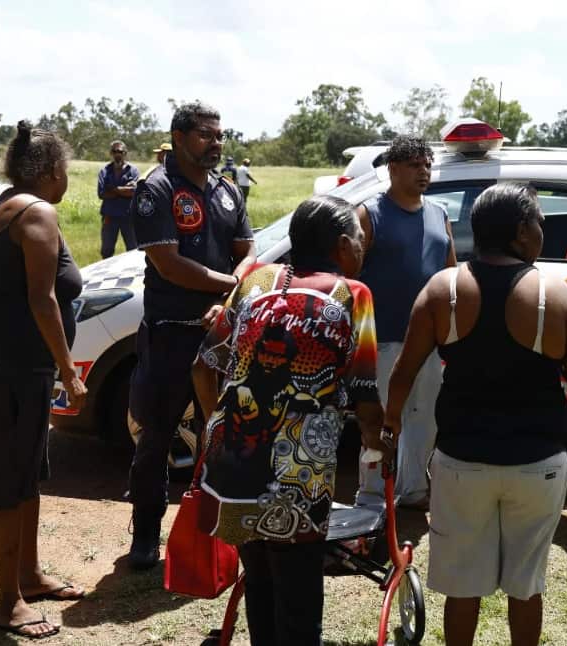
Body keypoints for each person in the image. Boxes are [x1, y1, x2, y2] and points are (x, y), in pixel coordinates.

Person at [385, 182, 567, 646]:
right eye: (540, 222)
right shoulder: (556, 297)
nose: (543, 230)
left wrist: (389, 426)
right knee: (526, 586)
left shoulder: (444, 290)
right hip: (537, 463)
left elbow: (402, 372)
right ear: (522, 232)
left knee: (462, 588)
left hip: (461, 462)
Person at [192, 195, 383, 645]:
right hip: (298, 477)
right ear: (341, 245)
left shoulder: (255, 281)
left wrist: (211, 430)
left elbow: (203, 366)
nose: (362, 247)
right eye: (359, 238)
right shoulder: (352, 295)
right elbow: (364, 394)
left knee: (259, 585)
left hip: (230, 465)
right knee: (298, 604)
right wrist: (378, 443)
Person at [0, 121, 87, 640]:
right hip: (13, 372)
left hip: (4, 368)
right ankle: (8, 603)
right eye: (66, 172)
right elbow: (43, 298)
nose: (67, 182)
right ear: (52, 172)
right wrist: (68, 371)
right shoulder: (38, 212)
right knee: (10, 488)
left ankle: (29, 577)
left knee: (28, 476)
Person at [125, 101, 256, 570]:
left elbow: (247, 248)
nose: (216, 143)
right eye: (206, 134)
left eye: (220, 135)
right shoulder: (155, 190)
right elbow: (168, 263)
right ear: (179, 137)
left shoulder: (225, 190)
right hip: (171, 334)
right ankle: (145, 536)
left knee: (222, 434)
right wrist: (232, 285)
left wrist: (235, 287)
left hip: (222, 333)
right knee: (156, 436)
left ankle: (221, 534)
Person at [354, 135, 456, 510]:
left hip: (426, 345)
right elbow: (351, 276)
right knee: (379, 421)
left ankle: (413, 491)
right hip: (381, 342)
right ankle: (372, 496)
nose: (423, 172)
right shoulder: (370, 214)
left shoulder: (439, 214)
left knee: (424, 421)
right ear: (393, 170)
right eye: (414, 165)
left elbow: (450, 274)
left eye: (427, 165)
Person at [97, 139, 140, 258]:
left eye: (120, 151)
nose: (117, 154)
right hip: (110, 216)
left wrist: (113, 189)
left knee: (133, 249)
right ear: (111, 153)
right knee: (107, 250)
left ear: (125, 153)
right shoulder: (104, 171)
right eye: (114, 151)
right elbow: (102, 193)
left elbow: (134, 192)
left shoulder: (133, 170)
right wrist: (124, 190)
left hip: (128, 216)